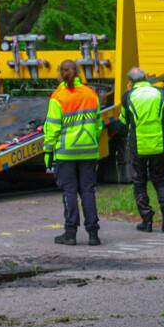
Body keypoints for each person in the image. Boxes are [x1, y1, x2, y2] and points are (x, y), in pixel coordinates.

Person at [44, 59, 103, 246]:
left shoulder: (58, 97)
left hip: (66, 153)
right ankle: (93, 234)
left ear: (60, 74)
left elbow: (53, 128)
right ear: (78, 72)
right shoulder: (91, 94)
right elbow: (98, 124)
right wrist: (91, 141)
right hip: (88, 152)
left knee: (69, 192)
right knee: (88, 191)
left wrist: (48, 151)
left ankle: (70, 234)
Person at [119, 67, 164, 232]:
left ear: (130, 82)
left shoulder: (128, 96)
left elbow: (124, 122)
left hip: (138, 146)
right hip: (159, 144)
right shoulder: (161, 93)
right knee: (160, 180)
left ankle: (147, 219)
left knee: (139, 182)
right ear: (146, 78)